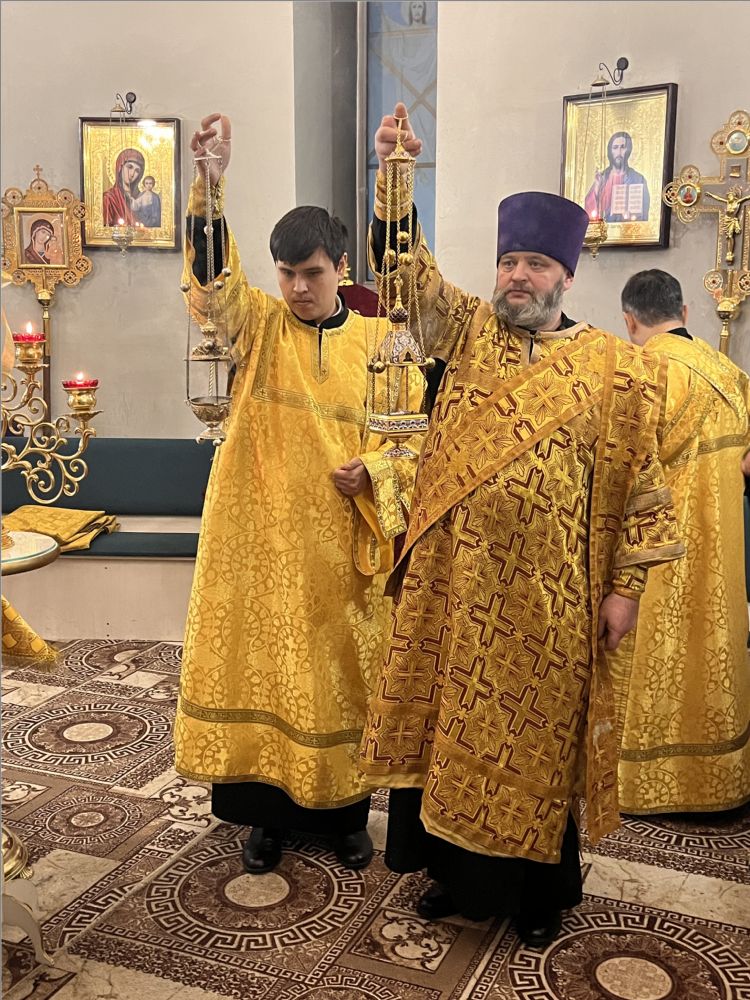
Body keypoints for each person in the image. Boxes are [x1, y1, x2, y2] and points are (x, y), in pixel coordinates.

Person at [359, 103, 684, 947]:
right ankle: (452, 877)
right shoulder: (467, 331)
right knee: (448, 735)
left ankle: (537, 896)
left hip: (551, 608)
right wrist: (395, 174)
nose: (517, 276)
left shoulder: (617, 371)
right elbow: (403, 280)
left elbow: (644, 491)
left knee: (536, 749)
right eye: (508, 260)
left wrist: (626, 590)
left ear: (566, 275)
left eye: (535, 263)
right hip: (456, 591)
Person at [173, 113, 423, 875]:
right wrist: (211, 185)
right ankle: (265, 822)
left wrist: (374, 472)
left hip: (341, 550)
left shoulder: (381, 342)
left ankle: (345, 819)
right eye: (286, 274)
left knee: (340, 681)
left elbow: (412, 440)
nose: (298, 288)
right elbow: (212, 291)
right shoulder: (260, 326)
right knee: (262, 674)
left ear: (342, 266)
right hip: (258, 543)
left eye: (311, 272)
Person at [614, 269, 750, 814]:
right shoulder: (730, 373)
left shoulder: (641, 370)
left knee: (655, 660)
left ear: (630, 321)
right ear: (685, 313)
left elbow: (620, 470)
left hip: (658, 559)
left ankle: (643, 780)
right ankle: (718, 780)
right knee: (714, 655)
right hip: (722, 558)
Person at [584, 131, 650, 222]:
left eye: (622, 147)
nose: (619, 152)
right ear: (610, 151)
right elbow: (588, 210)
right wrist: (596, 188)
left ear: (628, 150)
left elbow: (643, 213)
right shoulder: (603, 178)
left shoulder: (638, 179)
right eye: (615, 147)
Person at [103, 148, 145, 227]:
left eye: (137, 171)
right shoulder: (109, 198)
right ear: (120, 167)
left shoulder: (142, 198)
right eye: (129, 167)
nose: (132, 174)